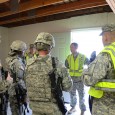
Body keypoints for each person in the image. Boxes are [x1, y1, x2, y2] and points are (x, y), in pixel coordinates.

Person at [26, 32, 72, 115]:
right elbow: (68, 87)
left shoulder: (28, 65)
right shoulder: (58, 65)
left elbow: (26, 84)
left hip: (35, 109)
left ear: (36, 46)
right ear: (50, 46)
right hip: (53, 110)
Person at [82, 24, 115, 115]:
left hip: (106, 106)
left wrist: (85, 71)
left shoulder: (106, 54)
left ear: (106, 37)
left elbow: (89, 80)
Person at [65, 42, 89, 115]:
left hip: (80, 80)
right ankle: (73, 107)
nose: (70, 49)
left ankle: (82, 110)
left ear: (76, 48)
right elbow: (66, 66)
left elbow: (89, 64)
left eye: (72, 47)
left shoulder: (82, 57)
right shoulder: (68, 57)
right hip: (71, 80)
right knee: (72, 94)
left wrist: (86, 74)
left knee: (81, 95)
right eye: (70, 47)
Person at [5, 40, 27, 115]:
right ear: (20, 51)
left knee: (14, 110)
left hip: (12, 89)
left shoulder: (9, 59)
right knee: (17, 111)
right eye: (23, 51)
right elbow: (19, 80)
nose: (24, 52)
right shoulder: (17, 62)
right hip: (17, 91)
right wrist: (26, 91)